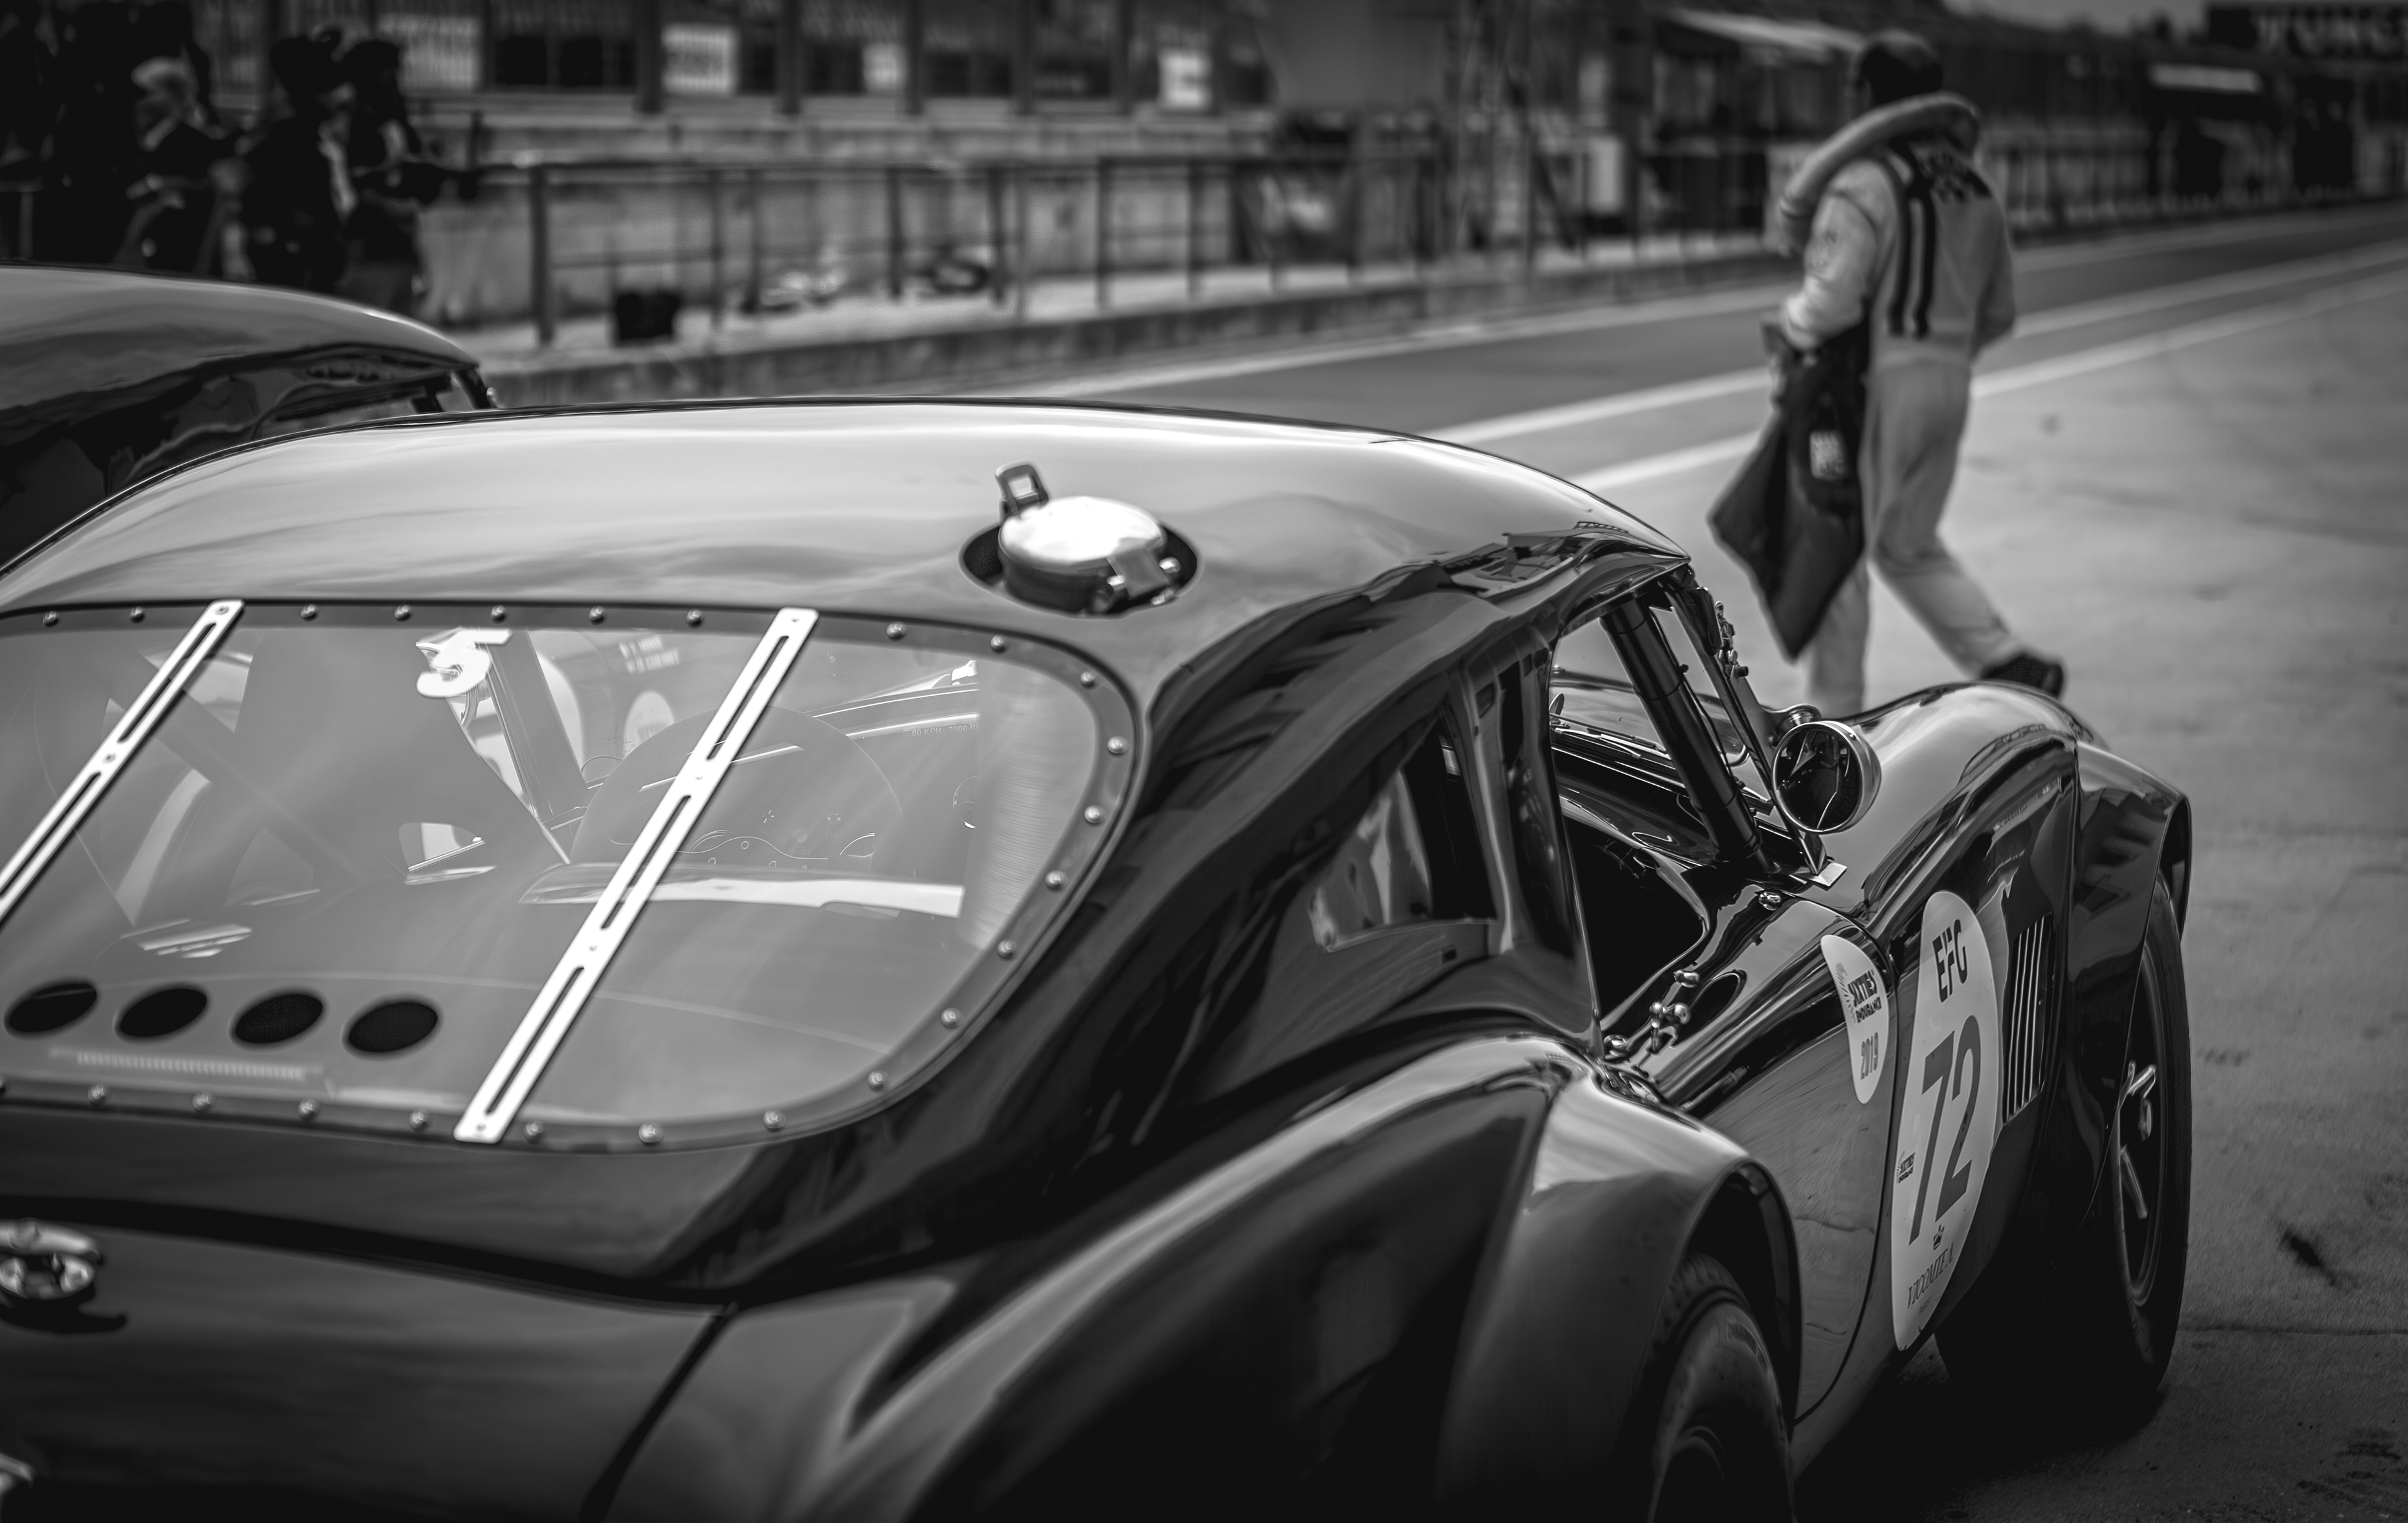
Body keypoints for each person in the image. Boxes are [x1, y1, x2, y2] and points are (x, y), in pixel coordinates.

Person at [1777, 31, 2064, 716]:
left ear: (1869, 93)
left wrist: (1788, 326)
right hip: (1951, 380)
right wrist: (1947, 352)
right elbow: (2001, 312)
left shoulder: (1864, 182)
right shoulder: (1975, 186)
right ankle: (2003, 656)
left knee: (1841, 545)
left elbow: (1831, 302)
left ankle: (1833, 715)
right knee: (1906, 542)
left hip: (1877, 387)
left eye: (1854, 85)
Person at [241, 32, 352, 292]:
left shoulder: (318, 136)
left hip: (315, 258)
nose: (340, 99)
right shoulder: (286, 141)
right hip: (297, 262)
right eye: (329, 92)